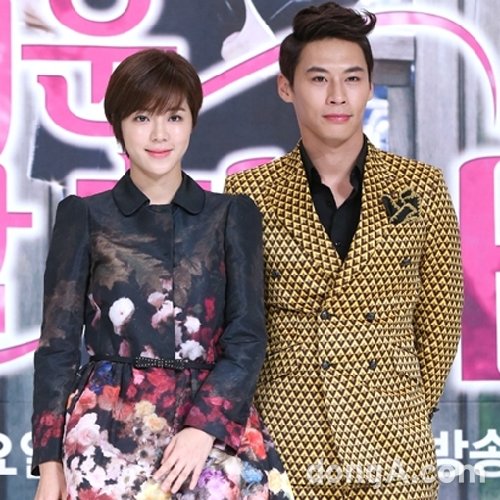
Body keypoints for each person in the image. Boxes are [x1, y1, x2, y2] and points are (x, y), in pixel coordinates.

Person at [225, 2, 464, 498]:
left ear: (370, 86)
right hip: (285, 443)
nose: (338, 95)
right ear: (286, 86)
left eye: (352, 78)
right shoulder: (248, 194)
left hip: (394, 446)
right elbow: (237, 325)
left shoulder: (421, 187)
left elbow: (439, 322)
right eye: (318, 79)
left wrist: (402, 409)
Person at [31, 48, 293, 500]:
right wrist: (49, 463)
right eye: (141, 117)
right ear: (118, 125)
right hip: (106, 432)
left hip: (212, 429)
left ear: (192, 122)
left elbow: (247, 336)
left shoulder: (232, 215)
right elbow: (57, 348)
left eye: (174, 117)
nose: (159, 134)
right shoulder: (84, 216)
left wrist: (203, 427)